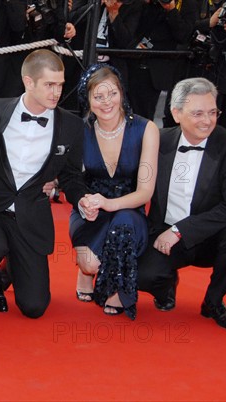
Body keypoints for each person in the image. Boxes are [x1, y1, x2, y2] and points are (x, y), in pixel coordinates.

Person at [0, 49, 89, 318]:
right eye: (49, 85)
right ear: (29, 82)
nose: (56, 92)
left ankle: (12, 267)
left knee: (34, 307)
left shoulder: (71, 126)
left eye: (60, 85)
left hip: (30, 213)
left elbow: (72, 176)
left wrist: (82, 198)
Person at [138, 77, 226, 331]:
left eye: (213, 112)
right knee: (143, 275)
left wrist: (180, 231)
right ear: (176, 114)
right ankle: (165, 284)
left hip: (213, 237)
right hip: (163, 234)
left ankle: (213, 302)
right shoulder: (158, 141)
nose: (208, 120)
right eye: (198, 113)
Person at [70, 64, 159, 319]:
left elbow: (145, 192)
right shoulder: (80, 130)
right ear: (87, 99)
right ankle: (85, 269)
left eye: (113, 93)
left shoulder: (146, 129)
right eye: (98, 96)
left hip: (129, 210)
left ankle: (118, 289)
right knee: (90, 263)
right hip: (91, 211)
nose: (106, 102)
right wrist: (84, 201)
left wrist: (110, 203)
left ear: (122, 92)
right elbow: (71, 180)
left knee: (124, 221)